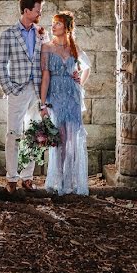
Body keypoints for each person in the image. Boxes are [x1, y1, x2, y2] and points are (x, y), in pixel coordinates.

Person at [0, 0, 48, 193]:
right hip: (17, 91)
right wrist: (9, 89)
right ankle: (11, 178)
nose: (39, 14)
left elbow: (46, 61)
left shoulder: (42, 33)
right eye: (37, 10)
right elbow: (0, 64)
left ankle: (27, 177)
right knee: (13, 134)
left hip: (37, 92)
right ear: (26, 11)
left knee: (34, 135)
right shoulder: (8, 34)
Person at [39, 11, 91, 196]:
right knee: (59, 139)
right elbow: (45, 77)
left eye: (58, 24)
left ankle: (71, 181)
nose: (53, 27)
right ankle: (59, 179)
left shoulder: (74, 48)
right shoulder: (47, 47)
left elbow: (87, 67)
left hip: (73, 97)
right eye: (53, 23)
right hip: (56, 97)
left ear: (67, 28)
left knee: (72, 140)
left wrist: (80, 81)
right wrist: (42, 104)